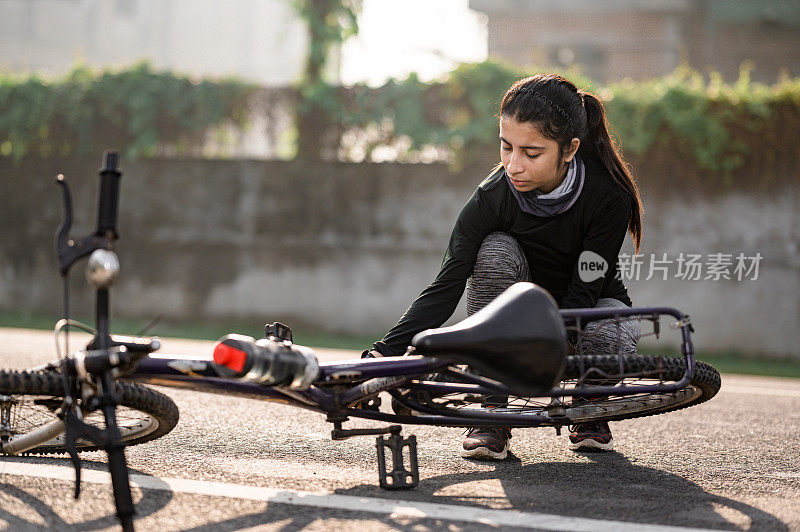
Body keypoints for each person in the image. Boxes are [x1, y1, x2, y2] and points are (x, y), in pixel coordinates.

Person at [365, 73, 643, 459]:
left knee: (614, 326)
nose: (514, 166)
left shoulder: (608, 197)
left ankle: (588, 409)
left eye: (531, 154)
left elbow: (588, 284)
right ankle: (491, 411)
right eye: (506, 148)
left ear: (569, 149)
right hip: (512, 313)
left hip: (588, 305)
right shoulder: (491, 197)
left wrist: (545, 341)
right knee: (495, 249)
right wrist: (383, 353)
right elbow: (447, 284)